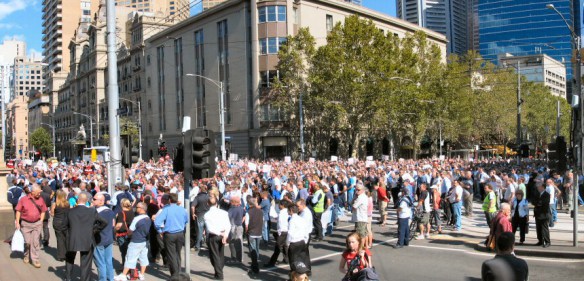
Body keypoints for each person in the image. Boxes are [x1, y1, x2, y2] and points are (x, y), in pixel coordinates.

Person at [65, 192, 108, 281]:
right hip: (87, 238)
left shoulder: (70, 211)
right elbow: (104, 222)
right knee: (86, 262)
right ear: (87, 201)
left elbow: (64, 225)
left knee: (70, 258)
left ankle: (68, 277)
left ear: (77, 200)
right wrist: (95, 230)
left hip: (73, 238)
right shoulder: (91, 211)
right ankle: (84, 279)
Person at [115, 202, 152, 281]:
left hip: (136, 240)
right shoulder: (148, 218)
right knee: (143, 258)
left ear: (142, 209)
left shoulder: (137, 218)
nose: (136, 208)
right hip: (144, 241)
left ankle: (123, 275)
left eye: (137, 207)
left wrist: (128, 234)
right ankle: (141, 275)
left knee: (130, 258)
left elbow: (130, 231)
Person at [154, 192, 189, 278]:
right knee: (177, 254)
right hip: (180, 233)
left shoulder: (166, 209)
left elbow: (157, 222)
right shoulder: (182, 209)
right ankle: (178, 273)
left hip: (169, 234)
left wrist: (160, 231)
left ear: (169, 200)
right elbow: (186, 220)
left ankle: (175, 275)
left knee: (171, 255)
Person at [14, 184, 47, 268]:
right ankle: (26, 255)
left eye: (40, 192)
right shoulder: (23, 199)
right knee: (27, 242)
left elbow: (43, 211)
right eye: (38, 192)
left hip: (37, 223)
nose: (39, 194)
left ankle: (35, 259)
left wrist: (41, 220)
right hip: (26, 224)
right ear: (32, 192)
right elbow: (18, 211)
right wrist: (17, 222)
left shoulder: (41, 199)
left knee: (35, 242)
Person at [204, 195, 231, 280]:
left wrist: (222, 234)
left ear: (208, 204)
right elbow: (228, 225)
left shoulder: (207, 215)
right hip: (222, 234)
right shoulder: (224, 213)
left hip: (214, 236)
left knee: (214, 256)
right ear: (216, 203)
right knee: (220, 254)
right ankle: (218, 271)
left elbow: (210, 229)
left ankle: (219, 274)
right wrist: (225, 235)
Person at [94, 193, 116, 281]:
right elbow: (113, 224)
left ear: (101, 201)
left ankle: (103, 279)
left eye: (95, 199)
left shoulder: (96, 212)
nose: (93, 200)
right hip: (109, 238)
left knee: (100, 263)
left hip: (99, 239)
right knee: (108, 261)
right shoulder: (110, 211)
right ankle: (110, 278)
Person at [266, 200, 289, 267]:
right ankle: (286, 259)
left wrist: (279, 233)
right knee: (284, 246)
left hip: (282, 232)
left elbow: (281, 224)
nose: (278, 206)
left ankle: (272, 262)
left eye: (279, 205)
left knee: (278, 247)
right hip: (285, 231)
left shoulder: (282, 213)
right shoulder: (286, 212)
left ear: (282, 205)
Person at [245, 197, 264, 278]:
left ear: (249, 204)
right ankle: (255, 264)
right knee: (256, 249)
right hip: (258, 232)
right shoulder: (260, 211)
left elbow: (246, 225)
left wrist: (247, 231)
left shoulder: (248, 212)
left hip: (252, 233)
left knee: (252, 250)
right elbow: (262, 221)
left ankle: (255, 267)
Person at [115, 198, 135, 267]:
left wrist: (114, 230)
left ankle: (125, 267)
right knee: (129, 251)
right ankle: (130, 267)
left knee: (123, 251)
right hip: (130, 233)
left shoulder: (121, 213)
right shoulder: (132, 211)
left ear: (121, 204)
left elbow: (119, 225)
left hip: (122, 233)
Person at [51, 189, 70, 262]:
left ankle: (61, 255)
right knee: (66, 238)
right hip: (65, 221)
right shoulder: (67, 203)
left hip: (57, 222)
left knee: (59, 238)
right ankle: (67, 253)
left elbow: (52, 214)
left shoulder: (55, 204)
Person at [192, 185, 210, 251]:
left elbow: (192, 206)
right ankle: (209, 245)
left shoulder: (197, 197)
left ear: (200, 190)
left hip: (200, 215)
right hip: (208, 216)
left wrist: (193, 214)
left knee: (200, 231)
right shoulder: (208, 197)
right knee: (208, 231)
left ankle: (197, 246)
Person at [227, 195, 245, 264]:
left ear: (233, 202)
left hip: (233, 227)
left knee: (232, 243)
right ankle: (240, 258)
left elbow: (228, 218)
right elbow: (244, 214)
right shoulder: (241, 208)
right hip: (240, 226)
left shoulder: (231, 209)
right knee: (239, 243)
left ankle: (234, 258)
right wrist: (242, 220)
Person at [352, 184, 368, 248]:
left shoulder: (361, 197)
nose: (356, 191)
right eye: (355, 190)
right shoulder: (359, 197)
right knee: (362, 233)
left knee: (360, 234)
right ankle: (363, 246)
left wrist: (354, 204)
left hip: (360, 218)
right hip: (359, 217)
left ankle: (361, 247)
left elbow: (354, 206)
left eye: (358, 190)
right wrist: (354, 197)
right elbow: (351, 203)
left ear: (363, 190)